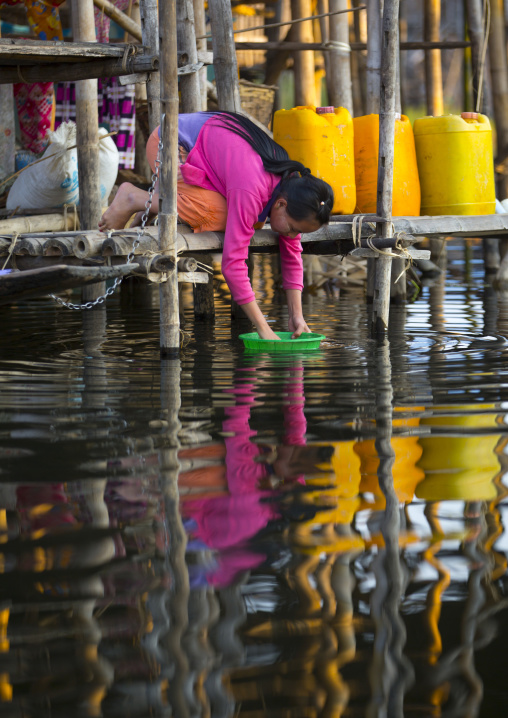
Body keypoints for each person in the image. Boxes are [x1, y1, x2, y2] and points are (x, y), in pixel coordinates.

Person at [99, 111, 334, 340]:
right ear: (281, 204)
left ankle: (150, 205)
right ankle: (133, 198)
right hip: (170, 145)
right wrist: (263, 328)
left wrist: (297, 317)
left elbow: (293, 255)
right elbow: (233, 264)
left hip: (199, 156)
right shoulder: (252, 188)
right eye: (293, 228)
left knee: (243, 217)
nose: (293, 235)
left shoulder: (290, 189)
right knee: (220, 215)